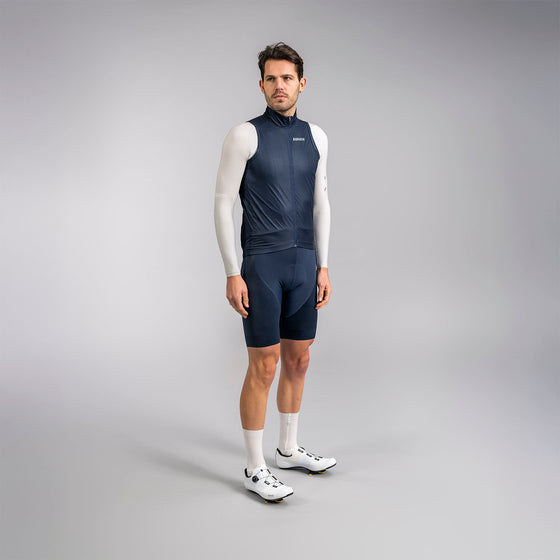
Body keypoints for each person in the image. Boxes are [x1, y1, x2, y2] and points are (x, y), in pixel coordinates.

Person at [214, 42, 336, 502]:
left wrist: (323, 265)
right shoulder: (244, 135)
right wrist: (232, 271)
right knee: (264, 365)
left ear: (302, 83)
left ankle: (287, 449)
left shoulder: (317, 136)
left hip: (304, 263)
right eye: (271, 78)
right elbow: (222, 203)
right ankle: (254, 467)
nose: (279, 86)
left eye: (287, 78)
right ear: (261, 84)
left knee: (299, 359)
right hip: (262, 264)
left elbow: (321, 203)